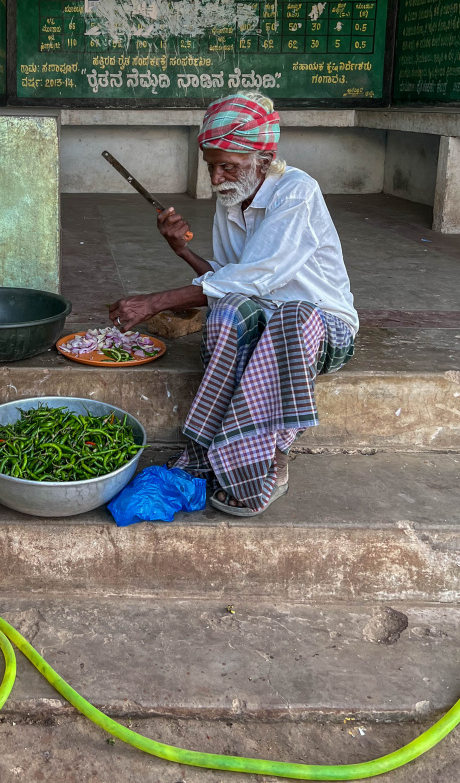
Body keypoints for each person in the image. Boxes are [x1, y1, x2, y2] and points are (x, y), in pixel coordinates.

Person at [109, 90, 358, 516]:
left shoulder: (296, 192)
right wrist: (181, 250)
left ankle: (268, 457)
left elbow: (259, 277)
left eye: (229, 166)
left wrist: (157, 301)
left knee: (294, 317)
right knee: (226, 312)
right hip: (267, 320)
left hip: (320, 329)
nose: (218, 177)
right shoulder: (231, 201)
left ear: (263, 160)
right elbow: (230, 280)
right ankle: (209, 448)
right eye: (211, 167)